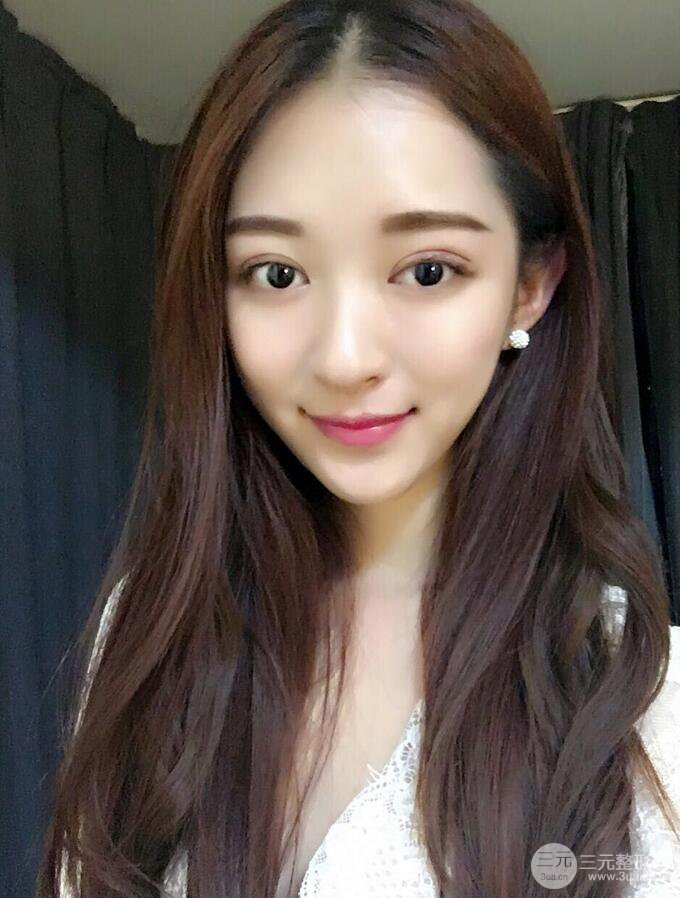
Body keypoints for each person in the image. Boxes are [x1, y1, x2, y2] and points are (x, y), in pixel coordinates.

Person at [39, 1, 680, 896]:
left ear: (530, 287)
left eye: (427, 270)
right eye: (277, 274)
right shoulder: (150, 639)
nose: (344, 358)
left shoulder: (644, 704)